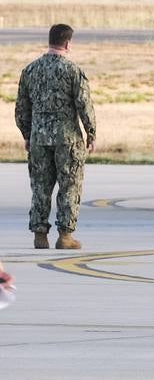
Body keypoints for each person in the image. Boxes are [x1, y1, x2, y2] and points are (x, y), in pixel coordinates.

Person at [15, 24, 96, 250]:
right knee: (69, 186)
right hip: (67, 139)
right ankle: (65, 236)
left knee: (40, 187)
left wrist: (27, 134)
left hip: (39, 139)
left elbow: (21, 108)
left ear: (50, 41)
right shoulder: (73, 71)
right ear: (68, 43)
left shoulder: (30, 70)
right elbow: (84, 105)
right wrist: (91, 133)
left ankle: (39, 236)